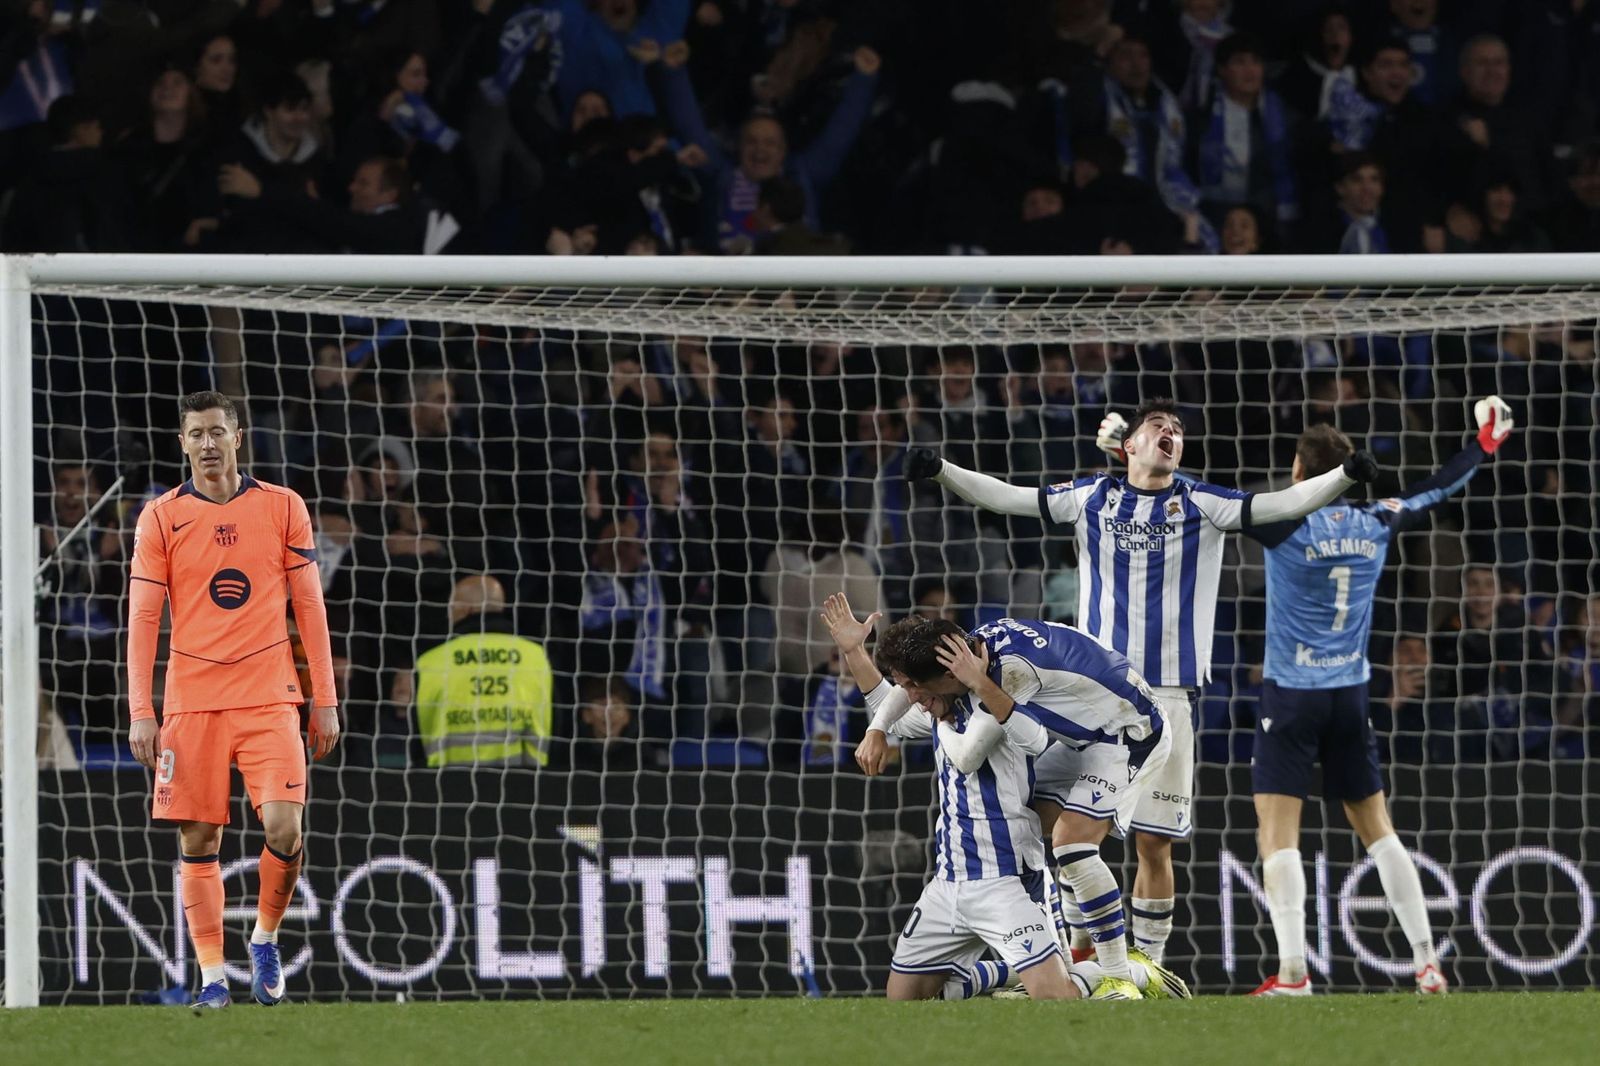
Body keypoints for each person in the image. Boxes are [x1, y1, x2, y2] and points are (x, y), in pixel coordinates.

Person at [906, 396, 1379, 971]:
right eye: (1160, 426)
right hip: (1081, 699)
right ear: (1129, 445)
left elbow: (1284, 502)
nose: (1172, 434)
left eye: (1179, 429)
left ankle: (1149, 967)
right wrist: (941, 472)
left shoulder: (1202, 502)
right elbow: (1008, 497)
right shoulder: (1091, 498)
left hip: (1167, 700)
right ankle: (1082, 959)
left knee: (1154, 844)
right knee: (1062, 830)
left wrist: (1343, 476)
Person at [1241, 399, 1514, 995]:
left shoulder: (1280, 523)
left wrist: (1123, 456)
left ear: (1298, 474)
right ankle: (1426, 961)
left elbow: (1202, 502)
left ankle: (1292, 973)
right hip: (1351, 695)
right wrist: (1483, 446)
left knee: (1276, 831)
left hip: (1290, 697)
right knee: (1378, 828)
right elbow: (1436, 488)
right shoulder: (1376, 519)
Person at [125, 391, 340, 1011]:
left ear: (238, 437)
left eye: (219, 431)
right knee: (198, 841)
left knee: (284, 825)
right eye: (197, 434)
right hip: (191, 702)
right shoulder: (160, 518)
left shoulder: (283, 507)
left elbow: (311, 608)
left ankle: (265, 939)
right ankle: (214, 976)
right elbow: (143, 617)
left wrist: (322, 699)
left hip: (270, 696)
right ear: (183, 443)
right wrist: (144, 710)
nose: (209, 443)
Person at [858, 610, 1190, 1001]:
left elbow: (1009, 745)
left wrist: (968, 695)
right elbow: (907, 688)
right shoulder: (963, 648)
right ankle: (1050, 961)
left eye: (920, 687)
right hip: (1077, 738)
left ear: (952, 675)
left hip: (1128, 733)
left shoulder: (1006, 672)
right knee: (1024, 817)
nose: (914, 696)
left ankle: (1121, 974)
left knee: (1071, 843)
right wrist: (877, 727)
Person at [818, 596, 1080, 1002]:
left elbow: (967, 756)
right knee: (902, 1002)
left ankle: (1129, 972)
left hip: (1006, 880)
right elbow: (893, 706)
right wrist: (855, 652)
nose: (911, 695)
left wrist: (895, 723)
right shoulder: (940, 705)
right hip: (949, 882)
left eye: (914, 687)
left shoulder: (993, 701)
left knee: (1059, 999)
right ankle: (1001, 974)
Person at [402, 574, 553, 767]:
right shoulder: (535, 656)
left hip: (447, 788)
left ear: (465, 609)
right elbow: (558, 725)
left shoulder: (432, 662)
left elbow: (416, 739)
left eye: (451, 607)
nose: (447, 615)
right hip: (528, 787)